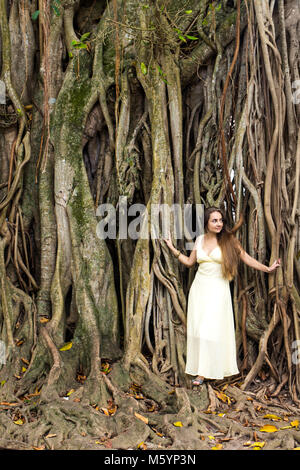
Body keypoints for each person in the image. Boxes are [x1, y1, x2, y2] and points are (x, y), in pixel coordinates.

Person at [164, 206, 281, 386]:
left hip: (218, 290)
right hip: (199, 289)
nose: (219, 224)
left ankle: (217, 369)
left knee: (213, 330)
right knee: (199, 331)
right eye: (214, 220)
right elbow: (189, 262)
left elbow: (245, 257)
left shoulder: (229, 240)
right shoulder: (200, 240)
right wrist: (172, 248)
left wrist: (267, 268)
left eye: (220, 220)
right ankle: (201, 373)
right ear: (206, 223)